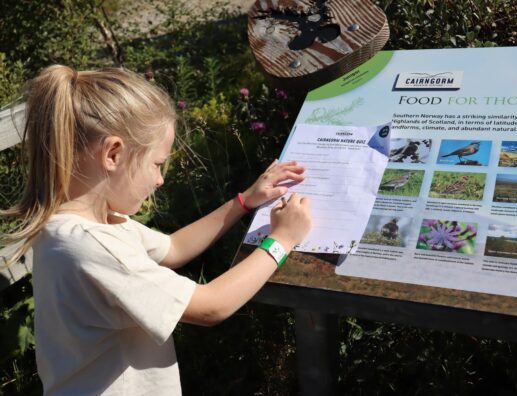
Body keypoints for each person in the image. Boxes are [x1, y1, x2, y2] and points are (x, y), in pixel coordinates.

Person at [0, 65, 312, 395]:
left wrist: (245, 201)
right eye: (156, 164)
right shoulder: (92, 247)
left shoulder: (85, 224)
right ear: (113, 153)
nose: (160, 179)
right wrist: (282, 239)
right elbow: (211, 306)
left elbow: (174, 248)